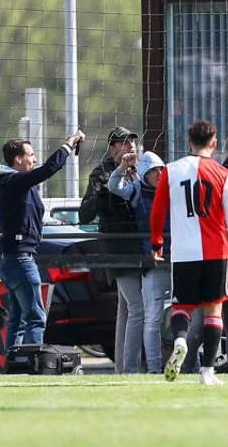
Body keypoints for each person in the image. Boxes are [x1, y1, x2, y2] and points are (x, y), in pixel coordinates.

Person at [150, 119, 228, 386]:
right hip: (217, 252)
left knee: (182, 307)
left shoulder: (171, 171)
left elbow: (157, 210)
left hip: (184, 252)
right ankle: (208, 372)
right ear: (214, 143)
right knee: (213, 311)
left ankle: (180, 340)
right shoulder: (223, 174)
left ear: (188, 142)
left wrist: (156, 242)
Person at [0, 131, 84, 348]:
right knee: (35, 317)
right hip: (21, 261)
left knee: (16, 321)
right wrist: (68, 146)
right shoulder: (14, 181)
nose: (34, 160)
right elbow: (47, 170)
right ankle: (32, 367)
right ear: (18, 159)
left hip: (13, 261)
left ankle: (13, 367)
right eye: (31, 155)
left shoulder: (15, 183)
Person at [80, 126, 145, 373]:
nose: (129, 146)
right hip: (118, 247)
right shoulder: (102, 173)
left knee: (126, 309)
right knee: (135, 307)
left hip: (137, 246)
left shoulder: (138, 170)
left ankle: (122, 367)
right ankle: (130, 368)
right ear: (112, 148)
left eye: (132, 141)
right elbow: (85, 214)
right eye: (123, 142)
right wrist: (106, 189)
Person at [108, 150, 168, 373]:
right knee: (150, 316)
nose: (160, 174)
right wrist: (122, 168)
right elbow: (113, 186)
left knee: (187, 313)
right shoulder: (135, 191)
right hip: (153, 262)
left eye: (162, 170)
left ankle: (193, 364)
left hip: (178, 258)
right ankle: (154, 368)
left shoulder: (173, 190)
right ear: (144, 174)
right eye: (154, 171)